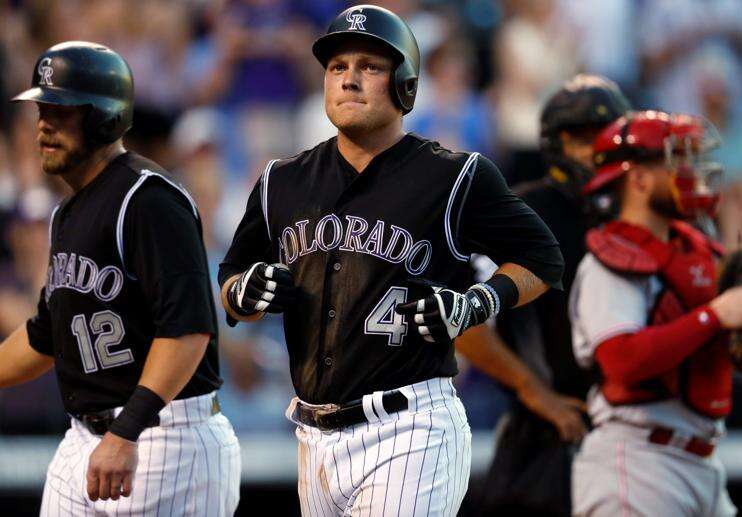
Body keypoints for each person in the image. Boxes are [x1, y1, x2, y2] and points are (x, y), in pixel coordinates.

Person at [218, 5, 564, 516]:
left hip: (410, 427)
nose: (349, 80)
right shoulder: (281, 181)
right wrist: (242, 292)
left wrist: (478, 302)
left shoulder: (455, 176)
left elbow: (543, 259)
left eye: (369, 67)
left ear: (405, 85)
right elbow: (232, 281)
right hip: (313, 438)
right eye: (337, 67)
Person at [5, 41, 240, 515]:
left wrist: (125, 430)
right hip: (87, 437)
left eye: (61, 111)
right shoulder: (67, 213)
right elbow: (44, 337)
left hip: (162, 437)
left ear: (103, 117)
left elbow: (189, 330)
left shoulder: (148, 199)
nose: (44, 124)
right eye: (41, 110)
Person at [569, 110, 742, 516]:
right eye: (677, 159)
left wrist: (741, 335)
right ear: (638, 179)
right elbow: (622, 360)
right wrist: (715, 316)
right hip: (638, 463)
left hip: (699, 461)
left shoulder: (698, 248)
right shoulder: (610, 260)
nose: (692, 171)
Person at [457, 74, 631, 516]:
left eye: (606, 137)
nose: (595, 151)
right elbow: (461, 321)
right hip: (547, 438)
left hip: (633, 438)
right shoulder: (523, 212)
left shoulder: (638, 211)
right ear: (556, 144)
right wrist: (535, 391)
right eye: (581, 139)